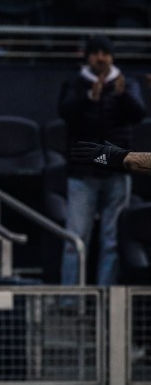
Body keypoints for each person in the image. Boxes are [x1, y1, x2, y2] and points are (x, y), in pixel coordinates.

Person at [58, 35, 146, 286]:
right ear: (87, 57)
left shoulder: (126, 85)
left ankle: (106, 297)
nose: (101, 58)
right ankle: (70, 300)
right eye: (96, 53)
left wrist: (122, 96)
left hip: (116, 172)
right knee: (76, 239)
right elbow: (66, 113)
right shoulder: (74, 84)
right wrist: (89, 98)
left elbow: (138, 114)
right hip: (83, 172)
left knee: (113, 240)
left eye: (105, 53)